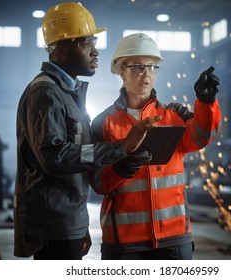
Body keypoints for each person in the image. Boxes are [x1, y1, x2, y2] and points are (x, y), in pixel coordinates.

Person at [14, 3, 160, 260]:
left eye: (94, 43)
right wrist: (121, 148)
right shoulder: (45, 93)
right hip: (53, 226)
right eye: (85, 44)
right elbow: (55, 158)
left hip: (67, 220)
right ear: (60, 49)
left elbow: (77, 161)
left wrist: (79, 224)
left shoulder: (66, 93)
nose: (95, 52)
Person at [91, 33, 222, 260]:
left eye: (152, 66)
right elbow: (97, 182)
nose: (146, 73)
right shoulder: (103, 123)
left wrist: (206, 101)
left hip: (173, 238)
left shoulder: (174, 115)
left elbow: (202, 136)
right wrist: (122, 168)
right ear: (121, 71)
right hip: (124, 243)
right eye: (137, 66)